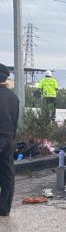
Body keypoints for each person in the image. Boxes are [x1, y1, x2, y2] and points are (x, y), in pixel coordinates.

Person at [0, 63, 19, 216]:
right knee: (7, 173)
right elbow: (15, 121)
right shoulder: (13, 97)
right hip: (8, 139)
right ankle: (4, 208)